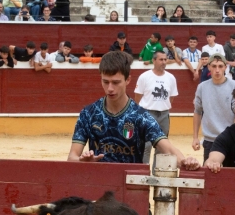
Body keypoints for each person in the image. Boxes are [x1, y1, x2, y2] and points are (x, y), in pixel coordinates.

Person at [69, 50, 198, 168]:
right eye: (105, 81)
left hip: (130, 186)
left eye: (116, 82)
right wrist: (82, 162)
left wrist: (185, 161)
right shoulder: (88, 113)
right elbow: (72, 157)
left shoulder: (140, 116)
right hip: (98, 185)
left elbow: (167, 148)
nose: (110, 88)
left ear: (128, 80)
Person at [134, 50, 179, 167]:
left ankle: (157, 174)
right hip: (147, 114)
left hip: (164, 114)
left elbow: (171, 97)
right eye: (161, 59)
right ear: (154, 61)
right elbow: (138, 97)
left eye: (165, 60)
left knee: (162, 146)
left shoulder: (171, 77)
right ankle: (143, 172)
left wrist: (162, 106)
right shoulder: (144, 76)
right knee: (146, 145)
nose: (163, 62)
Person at [193, 54, 235, 162]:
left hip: (230, 140)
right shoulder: (202, 87)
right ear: (208, 67)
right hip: (210, 140)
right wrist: (195, 137)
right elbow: (197, 112)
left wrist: (233, 136)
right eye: (214, 66)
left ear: (225, 67)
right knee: (210, 175)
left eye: (220, 66)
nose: (217, 70)